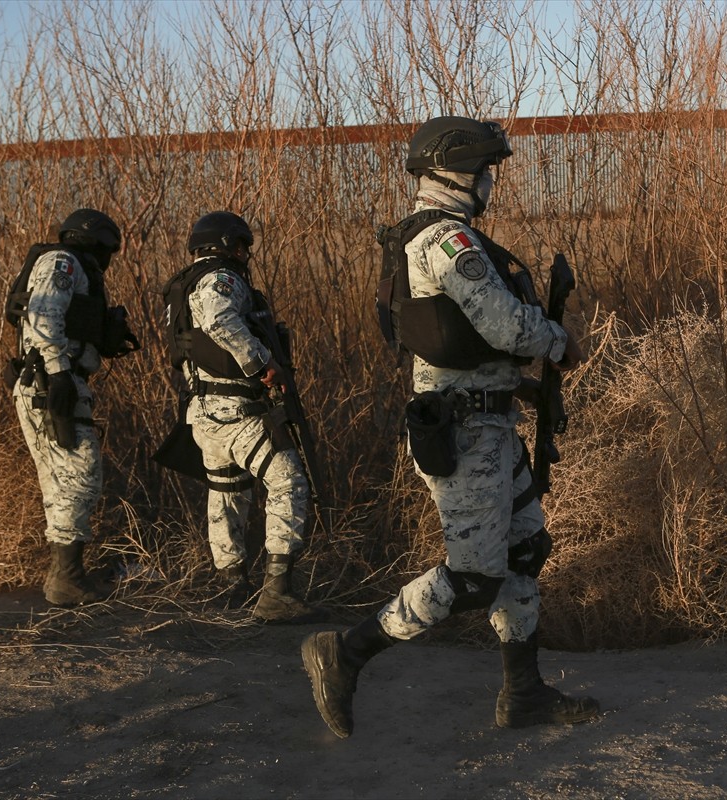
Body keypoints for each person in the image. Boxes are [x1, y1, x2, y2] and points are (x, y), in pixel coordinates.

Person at [301, 116, 599, 737]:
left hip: (487, 424)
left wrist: (518, 385)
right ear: (459, 172)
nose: (490, 180)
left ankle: (525, 694)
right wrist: (559, 342)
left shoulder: (441, 238)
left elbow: (465, 347)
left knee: (524, 550)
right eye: (485, 169)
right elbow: (504, 326)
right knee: (471, 577)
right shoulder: (446, 243)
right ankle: (346, 653)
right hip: (465, 436)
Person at [160, 211, 322, 623]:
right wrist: (264, 363)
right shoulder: (220, 278)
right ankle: (276, 593)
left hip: (203, 414)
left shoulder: (182, 286)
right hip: (236, 413)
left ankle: (232, 585)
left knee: (228, 492)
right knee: (289, 482)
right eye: (243, 245)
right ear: (229, 244)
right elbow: (218, 319)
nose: (245, 254)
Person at [6, 208, 137, 607]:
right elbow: (43, 314)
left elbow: (64, 318)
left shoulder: (73, 267)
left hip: (52, 379)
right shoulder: (63, 261)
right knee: (79, 473)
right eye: (109, 247)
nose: (110, 256)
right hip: (51, 382)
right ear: (95, 240)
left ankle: (65, 576)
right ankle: (67, 577)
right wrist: (60, 371)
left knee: (65, 478)